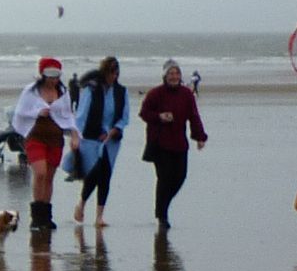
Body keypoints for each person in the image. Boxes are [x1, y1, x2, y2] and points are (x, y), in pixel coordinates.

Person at [10, 59, 81, 232]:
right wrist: (38, 112)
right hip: (35, 137)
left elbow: (68, 116)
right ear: (42, 75)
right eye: (50, 75)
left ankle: (46, 217)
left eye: (56, 76)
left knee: (49, 177)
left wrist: (74, 136)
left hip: (55, 139)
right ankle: (37, 216)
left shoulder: (62, 92)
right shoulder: (31, 91)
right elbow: (20, 112)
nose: (53, 80)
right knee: (40, 173)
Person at [138, 60, 207, 230]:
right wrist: (159, 116)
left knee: (180, 177)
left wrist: (200, 137)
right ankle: (162, 216)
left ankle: (162, 207)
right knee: (164, 179)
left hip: (179, 143)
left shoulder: (187, 94)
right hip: (159, 143)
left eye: (177, 73)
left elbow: (194, 116)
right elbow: (144, 113)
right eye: (171, 73)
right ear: (165, 76)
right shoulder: (155, 93)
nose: (174, 76)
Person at [72, 57, 129, 226]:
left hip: (111, 141)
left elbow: (124, 117)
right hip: (91, 138)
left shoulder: (121, 91)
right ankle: (81, 204)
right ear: (104, 72)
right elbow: (81, 115)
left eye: (116, 72)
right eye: (111, 72)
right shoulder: (91, 89)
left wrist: (113, 131)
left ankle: (99, 217)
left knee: (106, 175)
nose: (114, 76)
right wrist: (76, 136)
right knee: (94, 173)